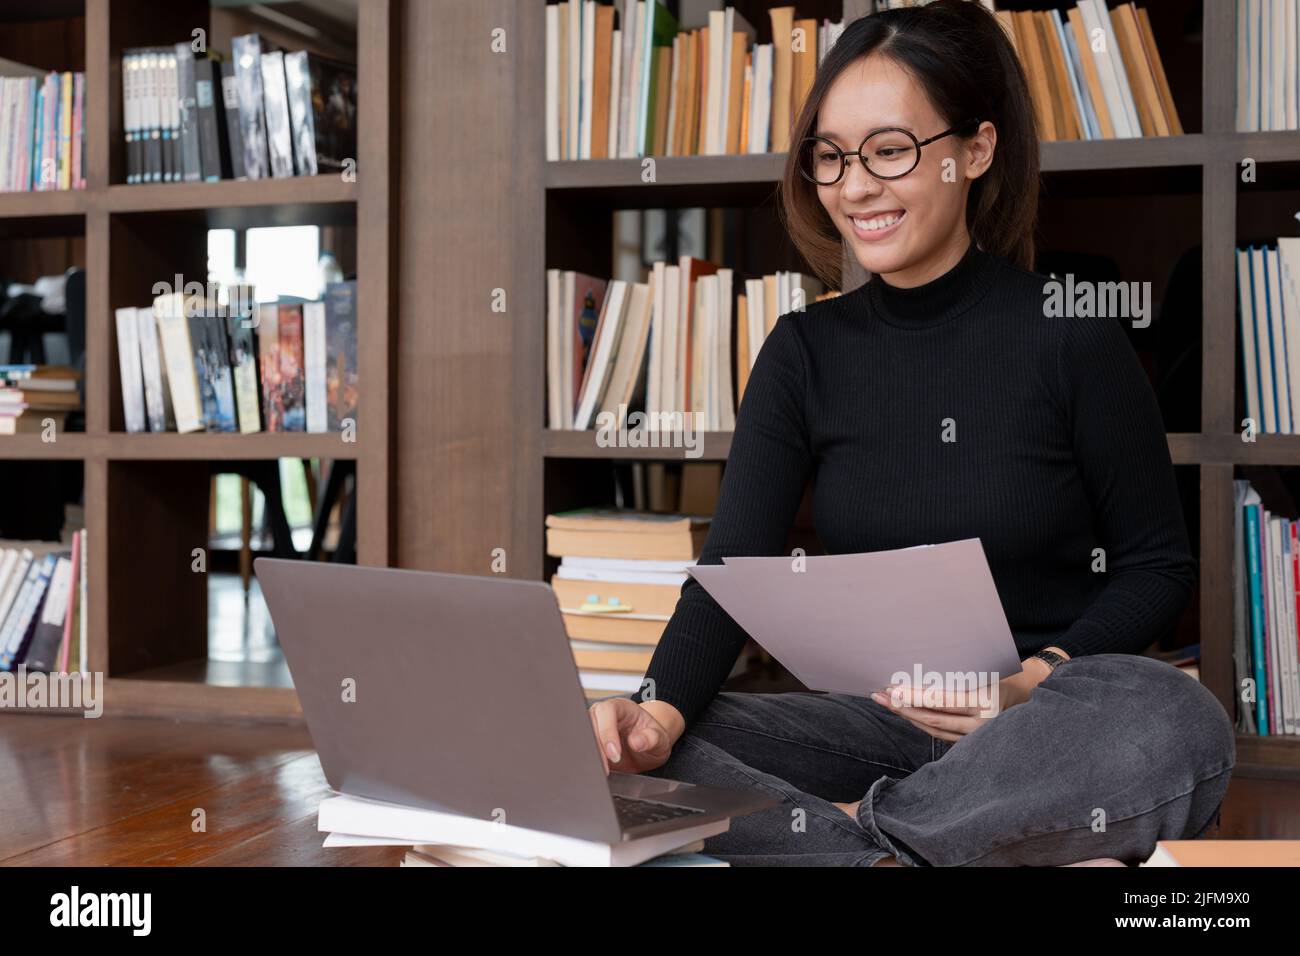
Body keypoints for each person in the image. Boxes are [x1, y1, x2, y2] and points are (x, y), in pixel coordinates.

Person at [587, 0, 1234, 867]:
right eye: (831, 155)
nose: (855, 186)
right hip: (868, 724)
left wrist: (1028, 681)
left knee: (1177, 716)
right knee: (612, 746)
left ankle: (864, 843)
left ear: (975, 151)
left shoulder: (1070, 331)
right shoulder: (803, 352)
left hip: (1040, 727)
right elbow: (725, 580)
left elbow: (1158, 566)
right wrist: (656, 711)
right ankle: (900, 854)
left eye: (889, 150)